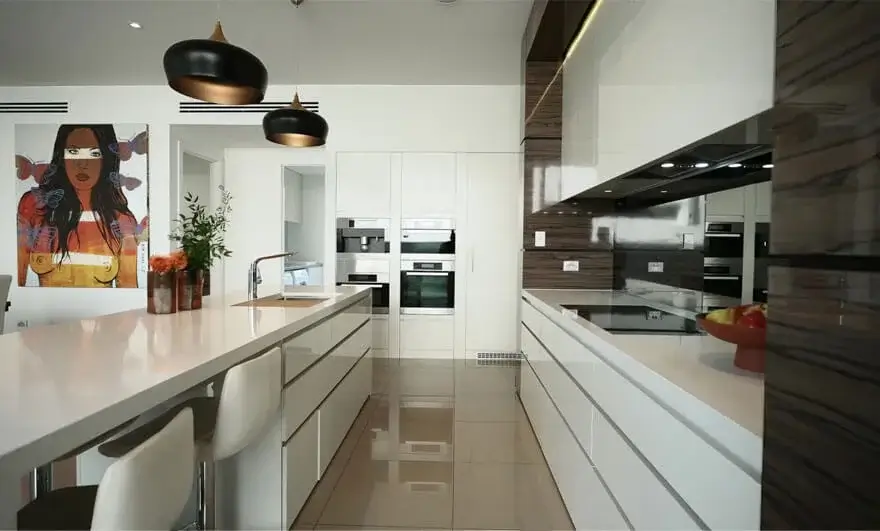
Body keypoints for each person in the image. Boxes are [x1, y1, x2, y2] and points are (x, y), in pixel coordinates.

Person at [16, 124, 140, 288]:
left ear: (107, 159)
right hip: (47, 312)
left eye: (94, 153)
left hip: (103, 313)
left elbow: (128, 291)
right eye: (73, 152)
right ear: (61, 158)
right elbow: (13, 285)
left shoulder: (121, 220)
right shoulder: (33, 205)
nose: (82, 164)